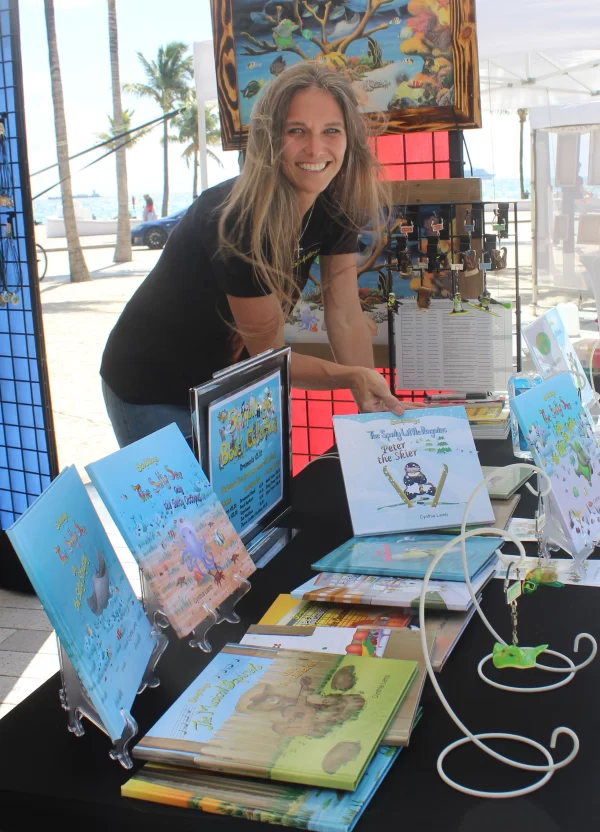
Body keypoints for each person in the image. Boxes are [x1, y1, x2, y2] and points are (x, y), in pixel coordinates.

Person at [100, 63, 420, 448]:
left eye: (331, 131)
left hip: (224, 380)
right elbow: (268, 355)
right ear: (271, 138)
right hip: (151, 382)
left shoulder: (334, 202)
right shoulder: (236, 218)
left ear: (349, 137)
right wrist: (349, 376)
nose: (316, 149)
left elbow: (346, 314)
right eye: (296, 131)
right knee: (194, 509)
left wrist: (373, 403)